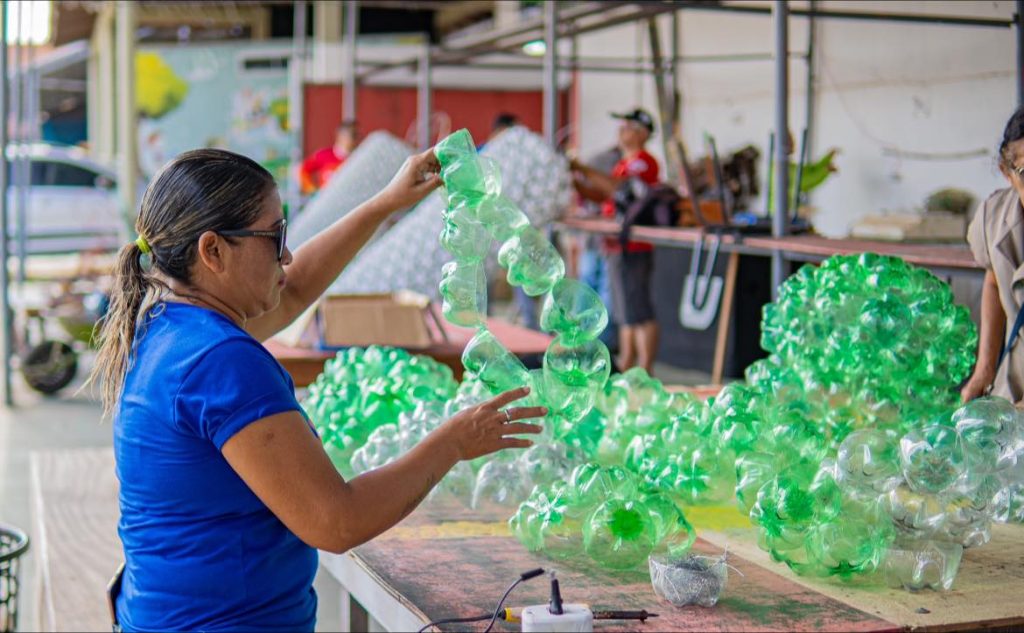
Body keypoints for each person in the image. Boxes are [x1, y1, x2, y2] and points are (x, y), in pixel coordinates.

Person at [90, 148, 545, 631]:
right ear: (213, 251)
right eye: (275, 237)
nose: (286, 255)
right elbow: (336, 522)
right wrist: (454, 441)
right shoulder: (221, 361)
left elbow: (295, 289)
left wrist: (386, 203)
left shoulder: (168, 326)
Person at [571, 108, 661, 374]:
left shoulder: (643, 161)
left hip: (634, 245)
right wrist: (574, 180)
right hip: (616, 244)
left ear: (642, 134)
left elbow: (616, 187)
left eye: (628, 127)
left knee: (639, 310)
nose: (621, 131)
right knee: (624, 311)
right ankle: (628, 365)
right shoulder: (624, 162)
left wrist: (581, 168)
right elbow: (604, 196)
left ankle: (644, 369)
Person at [963, 105, 1024, 405]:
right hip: (1012, 382)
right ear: (1006, 172)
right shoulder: (993, 216)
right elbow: (993, 280)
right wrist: (984, 370)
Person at [572, 145, 622, 353]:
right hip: (596, 240)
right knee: (588, 290)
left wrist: (580, 169)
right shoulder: (607, 160)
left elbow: (611, 191)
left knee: (604, 293)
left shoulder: (632, 163)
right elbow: (598, 195)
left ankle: (597, 346)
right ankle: (581, 342)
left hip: (613, 243)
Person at [299, 120, 359, 194]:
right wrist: (312, 190)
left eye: (359, 135)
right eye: (354, 135)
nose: (358, 139)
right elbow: (303, 170)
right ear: (341, 136)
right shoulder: (324, 155)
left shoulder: (359, 157)